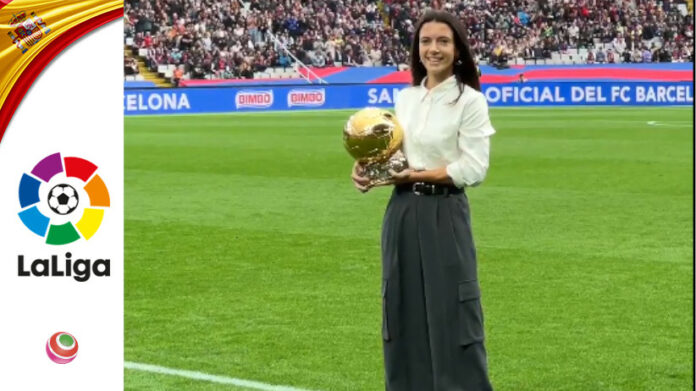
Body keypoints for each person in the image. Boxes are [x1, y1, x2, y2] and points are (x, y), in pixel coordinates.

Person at [351, 10, 495, 391]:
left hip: (444, 212)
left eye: (443, 42)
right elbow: (397, 160)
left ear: (457, 50)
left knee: (452, 310)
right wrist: (369, 172)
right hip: (402, 211)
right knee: (401, 308)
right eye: (426, 41)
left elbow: (474, 168)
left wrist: (415, 175)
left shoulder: (470, 102)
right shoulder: (406, 98)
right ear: (417, 49)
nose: (434, 49)